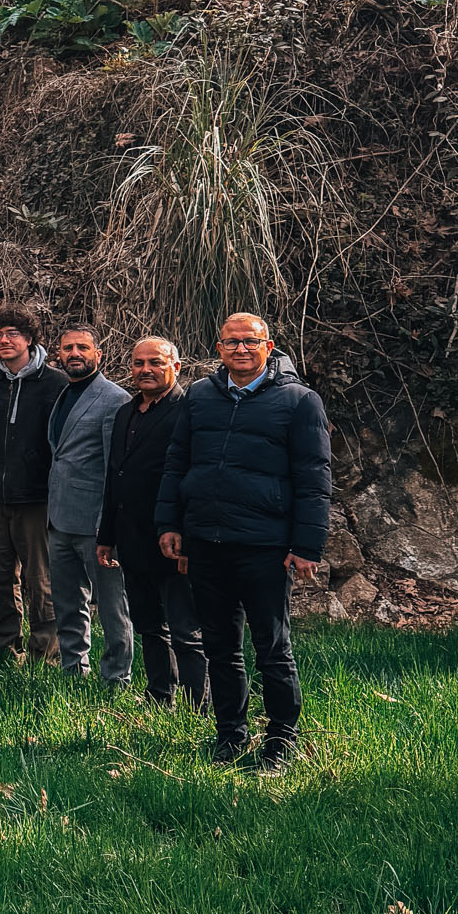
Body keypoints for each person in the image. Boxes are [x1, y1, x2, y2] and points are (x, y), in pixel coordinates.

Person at [156, 313, 332, 772]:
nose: (240, 349)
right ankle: (230, 735)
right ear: (219, 349)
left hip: (264, 546)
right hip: (206, 543)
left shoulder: (299, 402)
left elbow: (314, 479)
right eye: (231, 342)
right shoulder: (199, 397)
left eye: (249, 342)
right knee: (219, 646)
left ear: (268, 346)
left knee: (271, 648)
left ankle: (280, 742)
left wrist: (307, 545)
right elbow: (176, 465)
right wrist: (169, 523)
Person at [98, 337, 208, 711]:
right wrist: (106, 535)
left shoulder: (189, 411)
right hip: (132, 540)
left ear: (176, 367)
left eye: (156, 363)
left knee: (185, 631)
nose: (146, 370)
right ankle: (161, 695)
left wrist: (188, 538)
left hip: (173, 540)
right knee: (148, 625)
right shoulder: (126, 413)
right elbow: (117, 477)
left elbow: (193, 480)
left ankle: (201, 704)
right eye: (138, 363)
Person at [0, 303, 68, 664]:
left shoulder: (55, 383)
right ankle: (5, 649)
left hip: (36, 499)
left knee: (40, 581)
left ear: (29, 339)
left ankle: (46, 653)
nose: (4, 341)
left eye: (12, 334)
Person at [44, 323, 133, 686]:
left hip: (96, 525)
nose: (74, 354)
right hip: (59, 520)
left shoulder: (114, 399)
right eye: (67, 348)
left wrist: (106, 524)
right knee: (68, 604)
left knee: (112, 607)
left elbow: (117, 468)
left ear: (99, 354)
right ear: (59, 355)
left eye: (82, 347)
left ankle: (116, 677)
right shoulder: (64, 394)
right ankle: (73, 671)